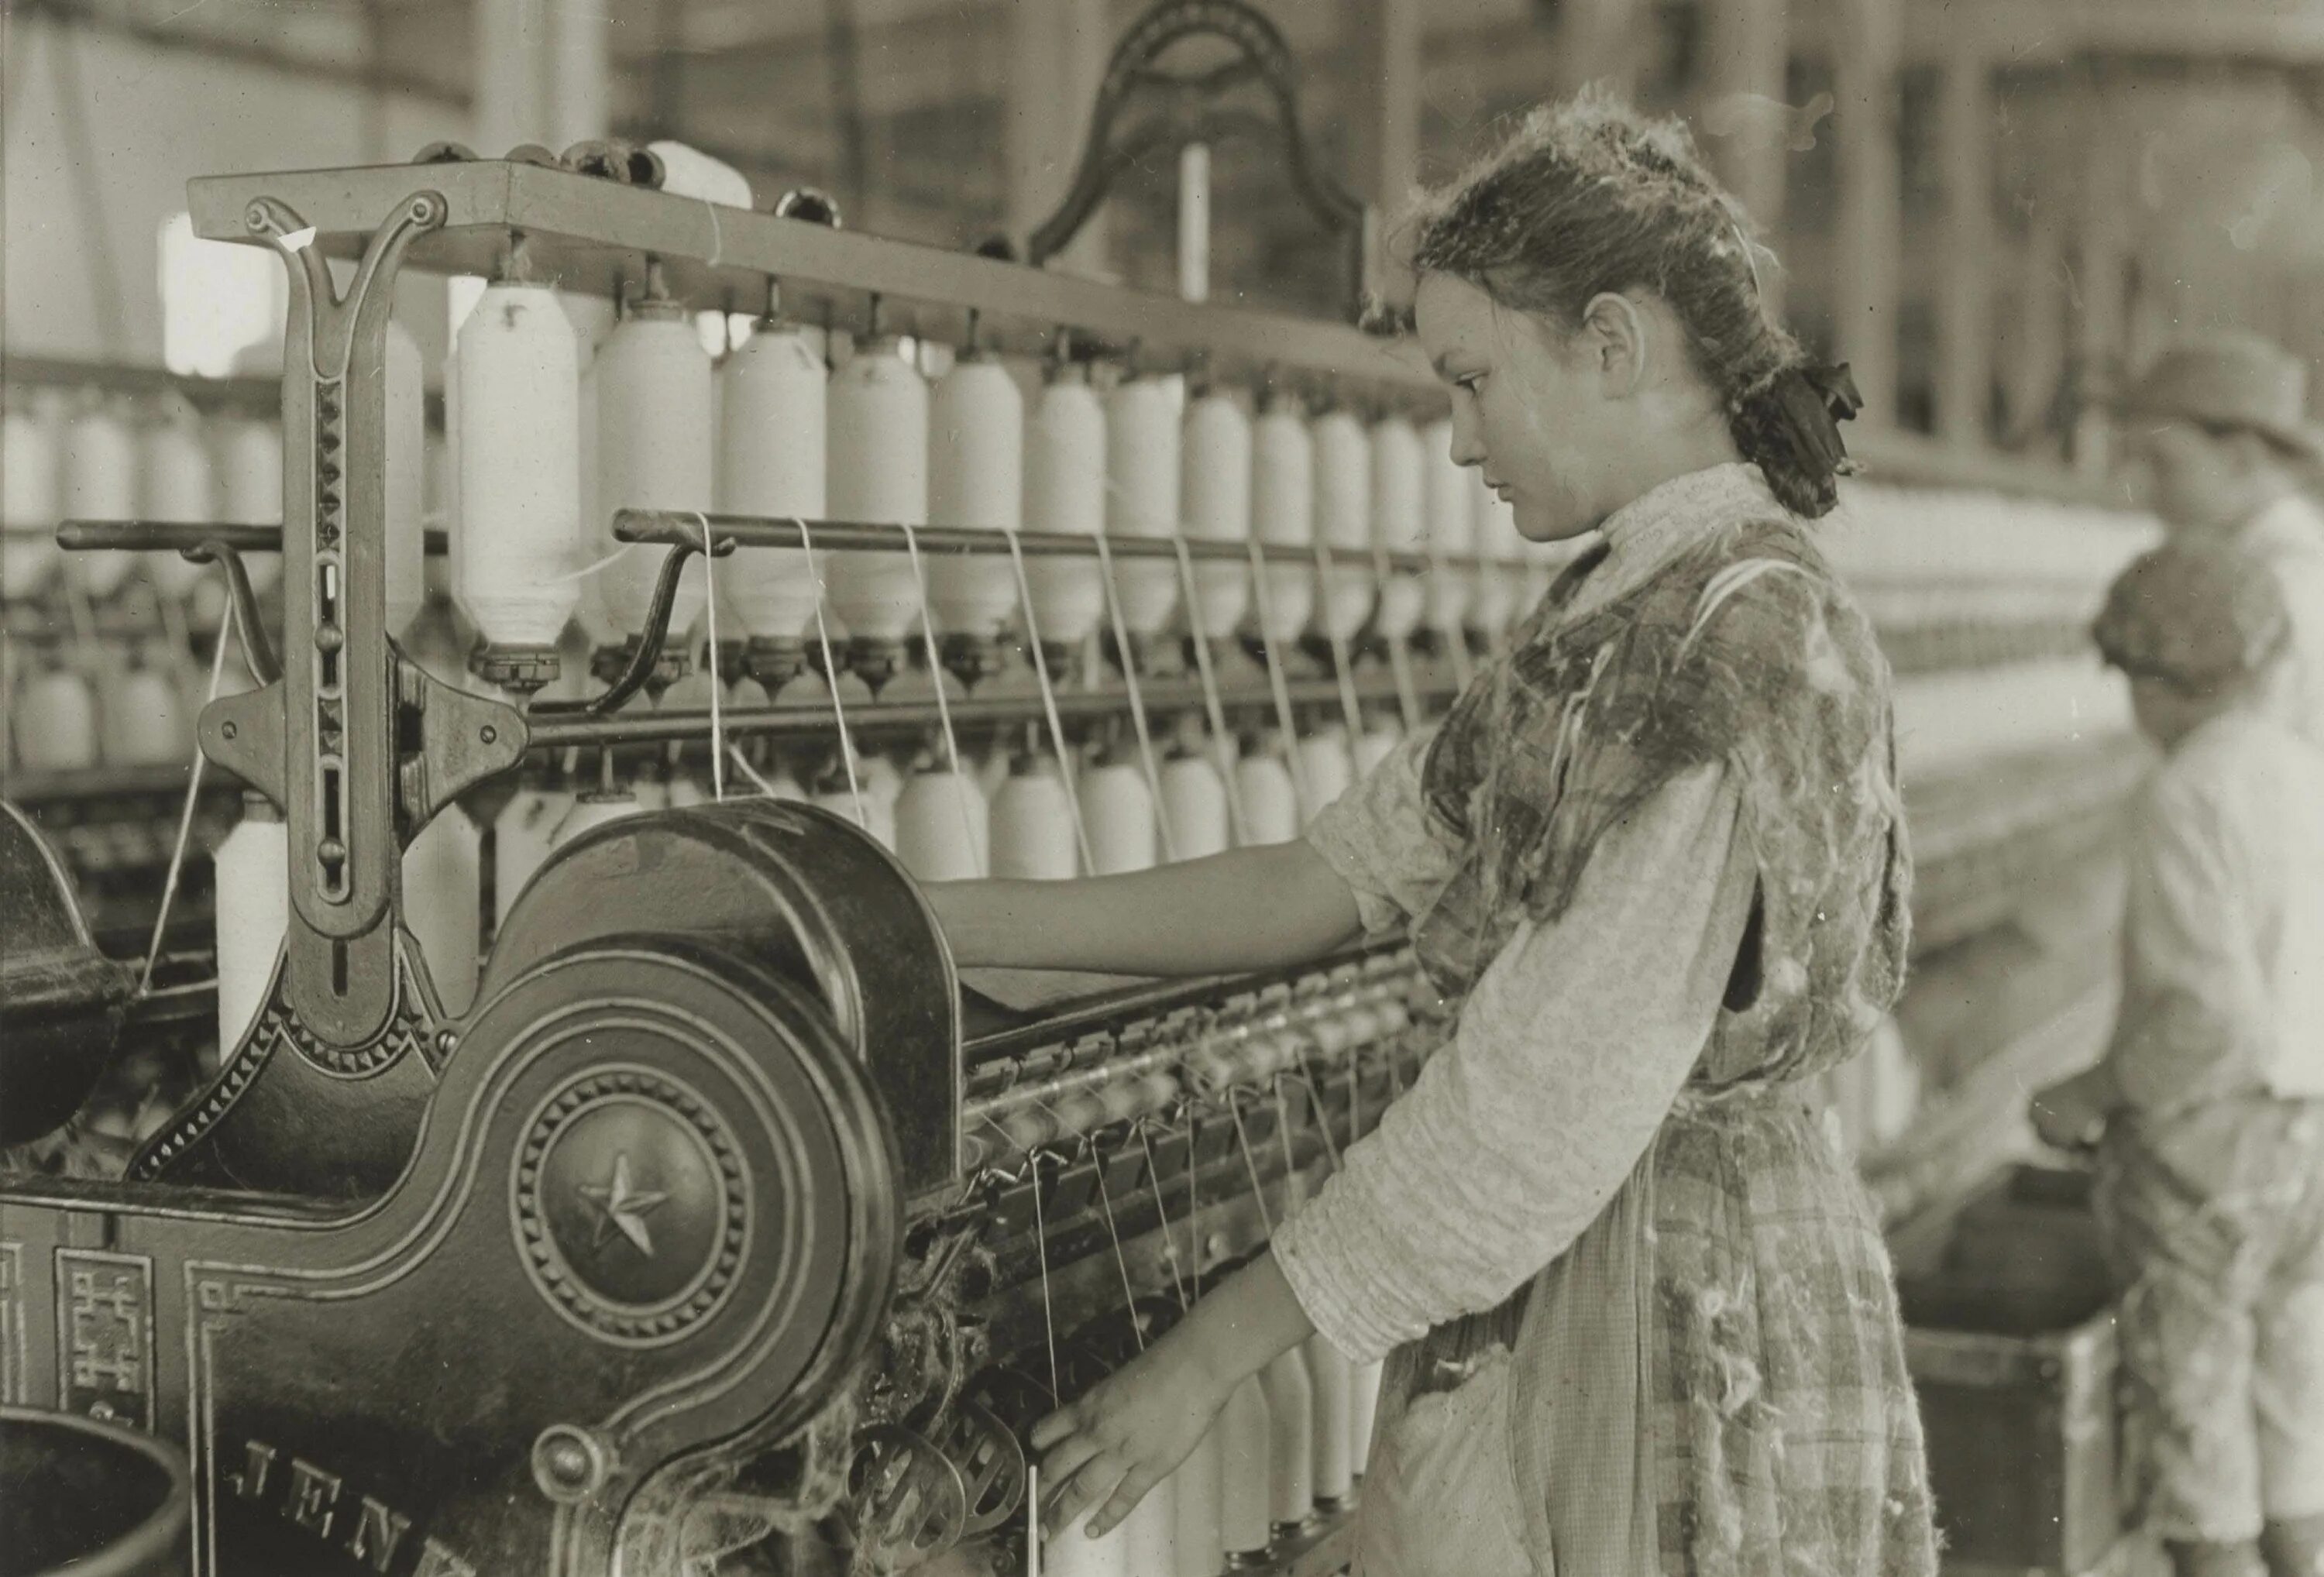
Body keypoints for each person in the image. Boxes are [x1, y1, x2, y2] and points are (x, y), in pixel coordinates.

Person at [927, 94, 1937, 1576]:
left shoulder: (1730, 642)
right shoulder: (1611, 616)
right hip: (1581, 1264)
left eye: (1472, 381)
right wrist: (938, 920)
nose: (1458, 442)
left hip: (1658, 1299)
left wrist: (1208, 1357)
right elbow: (1323, 879)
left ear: (1613, 342)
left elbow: (1536, 1108)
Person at [2030, 543, 2324, 1577]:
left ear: (2156, 681)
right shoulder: (2300, 772)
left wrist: (2086, 1093)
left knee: (2201, 1459)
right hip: (2305, 1145)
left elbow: (2207, 1018)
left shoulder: (2185, 793)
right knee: (2294, 1437)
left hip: (2210, 1160)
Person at [2116, 332, 2324, 748]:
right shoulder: (2261, 564)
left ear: (2241, 458)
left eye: (2163, 463)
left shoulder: (2281, 586)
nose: (2139, 490)